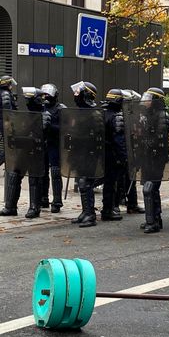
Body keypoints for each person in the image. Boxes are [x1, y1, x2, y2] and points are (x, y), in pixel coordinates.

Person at [0, 87, 51, 218]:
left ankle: (34, 207)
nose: (28, 102)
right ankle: (10, 207)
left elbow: (40, 132)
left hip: (37, 151)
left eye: (30, 99)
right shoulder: (26, 115)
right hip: (23, 149)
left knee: (34, 178)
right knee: (14, 175)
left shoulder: (45, 115)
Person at [138, 87, 169, 233]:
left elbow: (159, 137)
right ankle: (154, 219)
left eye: (149, 98)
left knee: (150, 187)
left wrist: (146, 141)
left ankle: (153, 221)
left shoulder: (162, 115)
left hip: (157, 156)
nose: (145, 100)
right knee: (150, 189)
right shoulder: (146, 114)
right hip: (147, 155)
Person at [70, 81, 100, 228]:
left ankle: (90, 214)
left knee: (86, 183)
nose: (76, 95)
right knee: (82, 183)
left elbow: (95, 137)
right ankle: (85, 211)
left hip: (90, 153)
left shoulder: (94, 114)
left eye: (78, 92)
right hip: (81, 152)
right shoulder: (81, 112)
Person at [100, 88, 126, 222]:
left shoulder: (101, 114)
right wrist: (124, 158)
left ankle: (106, 209)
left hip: (101, 154)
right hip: (113, 155)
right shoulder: (116, 117)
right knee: (111, 184)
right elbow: (119, 141)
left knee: (106, 183)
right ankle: (108, 210)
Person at [41, 83, 66, 213]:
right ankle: (43, 198)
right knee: (42, 172)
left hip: (55, 144)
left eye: (48, 94)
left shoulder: (61, 109)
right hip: (43, 143)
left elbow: (66, 128)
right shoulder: (41, 108)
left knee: (55, 173)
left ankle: (57, 201)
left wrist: (50, 125)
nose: (46, 97)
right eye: (44, 94)